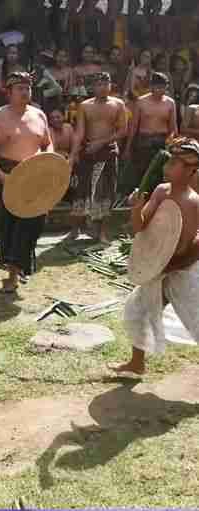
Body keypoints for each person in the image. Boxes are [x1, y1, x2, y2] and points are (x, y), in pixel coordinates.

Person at [111, 137, 199, 376]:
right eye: (168, 162)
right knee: (138, 310)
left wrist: (176, 265)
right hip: (158, 268)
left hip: (185, 269)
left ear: (191, 170)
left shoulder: (194, 202)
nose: (167, 167)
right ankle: (137, 363)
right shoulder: (161, 191)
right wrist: (137, 208)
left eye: (175, 164)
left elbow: (195, 245)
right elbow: (140, 228)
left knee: (196, 320)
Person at [0, 72, 54, 293]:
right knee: (11, 223)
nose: (25, 92)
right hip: (8, 174)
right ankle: (12, 272)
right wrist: (1, 175)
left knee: (35, 221)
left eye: (27, 88)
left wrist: (48, 162)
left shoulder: (39, 115)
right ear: (8, 93)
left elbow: (48, 144)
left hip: (35, 173)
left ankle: (19, 266)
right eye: (19, 88)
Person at [67, 72, 127, 243]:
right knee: (82, 190)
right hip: (88, 152)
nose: (102, 88)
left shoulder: (118, 104)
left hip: (107, 151)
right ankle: (75, 229)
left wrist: (101, 142)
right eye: (98, 84)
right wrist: (72, 155)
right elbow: (79, 132)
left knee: (106, 192)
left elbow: (123, 131)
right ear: (93, 87)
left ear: (110, 85)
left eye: (105, 84)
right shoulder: (85, 106)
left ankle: (102, 232)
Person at [125, 72, 178, 194]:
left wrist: (172, 143)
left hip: (162, 142)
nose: (161, 90)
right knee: (143, 174)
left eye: (164, 87)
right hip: (144, 142)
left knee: (161, 175)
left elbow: (173, 128)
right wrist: (128, 147)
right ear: (152, 87)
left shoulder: (170, 103)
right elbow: (133, 127)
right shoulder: (141, 102)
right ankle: (141, 201)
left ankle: (159, 201)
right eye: (158, 87)